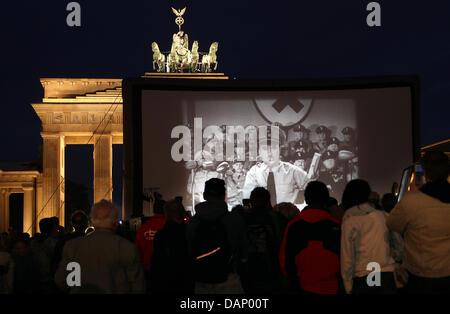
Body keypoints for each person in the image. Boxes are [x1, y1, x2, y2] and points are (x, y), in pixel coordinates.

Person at [386, 150, 450, 294]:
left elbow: (392, 223)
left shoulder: (411, 202)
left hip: (420, 276)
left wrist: (413, 192)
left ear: (425, 172)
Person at [55, 200, 146, 293]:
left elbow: (61, 280)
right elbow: (138, 286)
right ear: (115, 223)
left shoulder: (72, 246)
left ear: (92, 221)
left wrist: (77, 287)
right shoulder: (128, 248)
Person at [186, 178, 247, 294]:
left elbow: (188, 250)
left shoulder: (192, 222)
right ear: (224, 195)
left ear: (204, 195)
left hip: (201, 279)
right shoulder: (234, 220)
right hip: (229, 278)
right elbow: (242, 250)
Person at [280, 181, 342, 294]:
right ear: (326, 200)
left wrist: (292, 281)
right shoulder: (336, 225)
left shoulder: (294, 225)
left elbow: (284, 259)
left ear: (306, 199)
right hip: (332, 286)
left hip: (301, 286)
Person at [340, 179, 397, 294]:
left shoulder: (350, 221)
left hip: (364, 276)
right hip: (387, 275)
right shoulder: (383, 215)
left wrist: (348, 285)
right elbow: (398, 244)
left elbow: (347, 257)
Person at [243, 134, 309, 206]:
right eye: (265, 149)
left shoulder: (292, 170)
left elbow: (313, 190)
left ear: (279, 150)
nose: (269, 153)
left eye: (273, 148)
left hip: (286, 215)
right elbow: (247, 199)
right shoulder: (254, 172)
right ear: (259, 152)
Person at [241, 187, 284, 293]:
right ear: (268, 201)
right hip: (272, 268)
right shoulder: (277, 218)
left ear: (251, 201)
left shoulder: (242, 218)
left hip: (248, 269)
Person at [148, 199, 193, 294]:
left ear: (166, 214)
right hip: (185, 283)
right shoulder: (189, 233)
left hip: (164, 283)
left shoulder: (160, 235)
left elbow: (156, 262)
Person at [135, 197, 166, 288]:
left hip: (146, 269)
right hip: (164, 270)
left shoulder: (144, 227)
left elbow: (137, 248)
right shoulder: (167, 226)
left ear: (153, 210)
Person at [51, 210, 89, 276]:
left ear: (72, 224)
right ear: (86, 224)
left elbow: (56, 263)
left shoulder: (63, 241)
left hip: (68, 278)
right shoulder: (92, 243)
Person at [30, 217, 59, 294]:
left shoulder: (32, 243)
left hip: (35, 280)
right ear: (52, 228)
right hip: (50, 280)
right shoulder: (53, 243)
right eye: (55, 227)